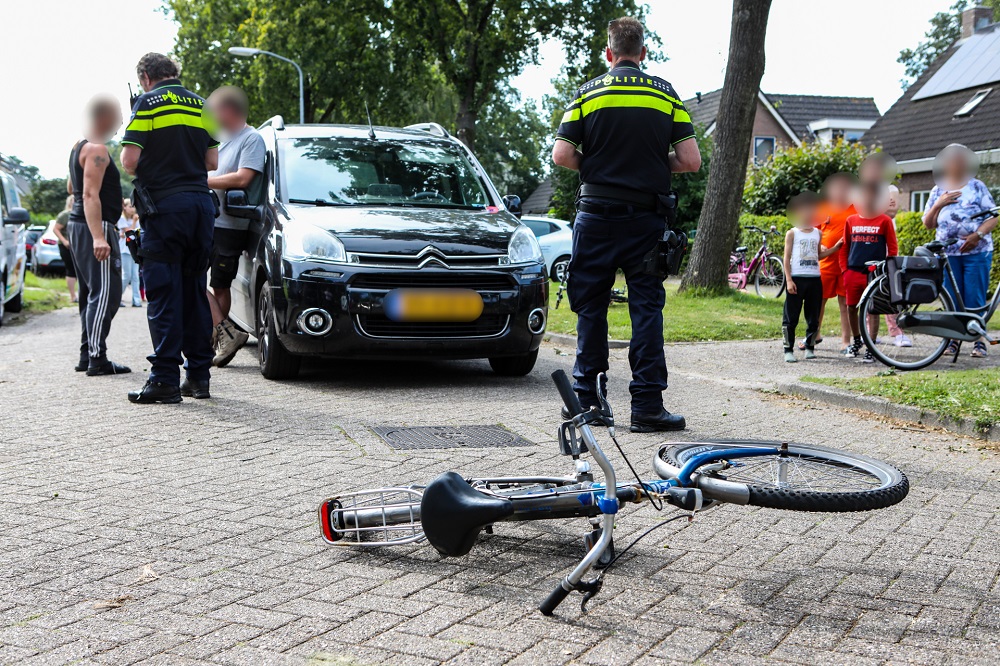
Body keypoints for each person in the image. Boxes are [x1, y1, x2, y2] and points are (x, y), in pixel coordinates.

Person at [552, 17, 701, 433]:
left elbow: (562, 155)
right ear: (644, 54)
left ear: (609, 52)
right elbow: (690, 161)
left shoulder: (587, 93)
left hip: (595, 216)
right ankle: (647, 408)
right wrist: (655, 166)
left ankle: (589, 404)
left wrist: (597, 168)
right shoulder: (666, 94)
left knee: (591, 307)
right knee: (647, 310)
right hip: (646, 221)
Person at [121, 53, 219, 403]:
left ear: (146, 76)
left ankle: (164, 380)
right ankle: (198, 378)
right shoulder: (201, 104)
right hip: (200, 208)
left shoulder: (148, 103)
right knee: (194, 291)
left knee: (163, 293)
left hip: (165, 209)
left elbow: (130, 162)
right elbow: (212, 162)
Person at [67, 95, 131, 376]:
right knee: (107, 293)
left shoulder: (77, 147)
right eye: (117, 117)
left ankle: (87, 354)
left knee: (90, 293)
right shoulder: (97, 150)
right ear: (103, 117)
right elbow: (88, 193)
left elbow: (72, 186)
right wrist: (98, 237)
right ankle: (97, 357)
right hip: (96, 226)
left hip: (78, 224)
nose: (119, 123)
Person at [204, 86, 261, 367]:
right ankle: (219, 336)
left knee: (220, 285)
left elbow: (243, 179)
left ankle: (221, 340)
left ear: (228, 110)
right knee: (193, 277)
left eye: (214, 109)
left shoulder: (251, 139)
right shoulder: (221, 139)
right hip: (210, 221)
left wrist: (202, 182)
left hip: (230, 225)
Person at [923, 143, 996, 358]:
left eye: (960, 160)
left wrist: (977, 235)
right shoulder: (938, 189)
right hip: (948, 255)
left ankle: (978, 341)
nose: (956, 163)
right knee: (951, 299)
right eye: (952, 160)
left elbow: (994, 216)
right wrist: (939, 204)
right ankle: (952, 340)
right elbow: (928, 223)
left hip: (977, 252)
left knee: (974, 297)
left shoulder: (977, 187)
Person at [840, 158, 898, 363]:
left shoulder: (885, 221)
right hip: (853, 271)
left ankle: (871, 345)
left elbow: (892, 248)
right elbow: (844, 246)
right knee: (852, 307)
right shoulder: (851, 220)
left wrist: (889, 271)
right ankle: (857, 340)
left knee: (873, 309)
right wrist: (844, 269)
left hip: (876, 272)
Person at [781, 192, 843, 363]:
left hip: (815, 279)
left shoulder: (817, 233)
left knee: (813, 316)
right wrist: (789, 280)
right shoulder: (792, 233)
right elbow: (786, 258)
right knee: (791, 316)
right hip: (797, 278)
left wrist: (835, 249)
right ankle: (788, 349)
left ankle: (810, 346)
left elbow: (818, 256)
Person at [812, 173, 856, 354]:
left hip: (847, 264)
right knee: (818, 302)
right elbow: (813, 231)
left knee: (846, 304)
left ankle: (846, 341)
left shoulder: (856, 209)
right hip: (826, 263)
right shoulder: (823, 209)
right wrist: (818, 243)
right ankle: (814, 335)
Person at [881, 185, 911, 347]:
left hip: (890, 257)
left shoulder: (892, 220)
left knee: (891, 295)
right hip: (875, 255)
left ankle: (896, 331)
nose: (891, 200)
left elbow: (892, 210)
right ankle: (869, 332)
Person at [52, 195, 77, 303]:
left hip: (79, 246)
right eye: (73, 200)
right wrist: (64, 241)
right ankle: (73, 296)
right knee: (71, 270)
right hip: (66, 246)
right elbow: (55, 229)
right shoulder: (65, 215)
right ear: (69, 202)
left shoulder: (83, 213)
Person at [118, 199, 142, 308]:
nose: (132, 209)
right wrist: (133, 222)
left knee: (135, 276)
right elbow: (129, 233)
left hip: (135, 250)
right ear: (125, 208)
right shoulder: (122, 219)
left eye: (133, 206)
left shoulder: (137, 219)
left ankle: (136, 300)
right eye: (130, 206)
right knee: (126, 275)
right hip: (125, 250)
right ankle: (117, 297)